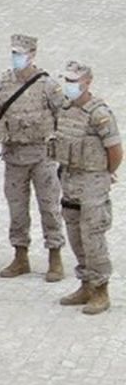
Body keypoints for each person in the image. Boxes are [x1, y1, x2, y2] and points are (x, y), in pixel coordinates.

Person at [0, 34, 65, 281]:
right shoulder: (2, 85)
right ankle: (20, 256)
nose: (17, 57)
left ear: (32, 54)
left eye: (21, 53)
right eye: (14, 53)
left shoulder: (48, 85)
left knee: (49, 207)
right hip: (14, 157)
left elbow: (62, 114)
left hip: (42, 156)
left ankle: (55, 256)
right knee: (17, 209)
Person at [53, 61, 121, 315]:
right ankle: (85, 284)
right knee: (74, 234)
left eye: (74, 81)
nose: (69, 85)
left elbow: (115, 150)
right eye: (67, 80)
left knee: (92, 236)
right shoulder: (65, 109)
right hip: (70, 179)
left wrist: (105, 173)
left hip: (92, 182)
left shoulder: (99, 114)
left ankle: (101, 289)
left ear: (87, 82)